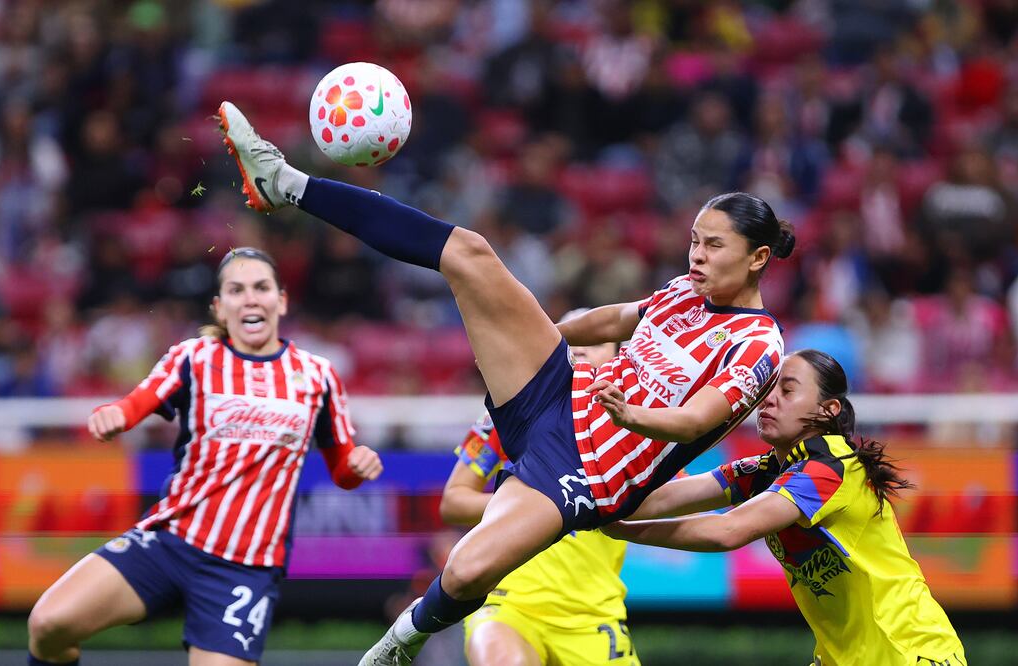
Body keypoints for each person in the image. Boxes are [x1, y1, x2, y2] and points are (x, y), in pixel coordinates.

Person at [217, 101, 793, 665]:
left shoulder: (759, 345)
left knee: (467, 570)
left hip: (586, 474)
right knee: (470, 252)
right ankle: (283, 181)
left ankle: (399, 643)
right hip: (559, 396)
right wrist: (536, 335)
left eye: (713, 246)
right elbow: (621, 318)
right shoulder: (685, 292)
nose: (695, 256)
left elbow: (697, 421)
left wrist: (630, 416)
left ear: (758, 257)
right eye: (694, 240)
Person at [27, 247, 384, 666]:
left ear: (281, 300)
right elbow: (136, 404)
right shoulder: (192, 357)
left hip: (244, 567)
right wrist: (112, 416)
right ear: (219, 306)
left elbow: (342, 469)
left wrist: (357, 465)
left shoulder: (318, 375)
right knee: (48, 624)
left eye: (261, 288)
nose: (250, 298)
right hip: (168, 541)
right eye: (236, 289)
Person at [604, 350, 965, 666]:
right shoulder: (767, 470)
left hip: (910, 652)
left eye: (787, 391)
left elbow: (727, 531)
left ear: (828, 409)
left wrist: (623, 530)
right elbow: (666, 498)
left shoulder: (831, 469)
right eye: (768, 390)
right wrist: (597, 502)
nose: (769, 400)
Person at [441, 321, 639, 666]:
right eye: (573, 339)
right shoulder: (508, 416)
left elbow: (674, 502)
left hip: (592, 616)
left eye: (593, 340)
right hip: (510, 601)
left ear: (618, 358)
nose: (579, 346)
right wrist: (538, 504)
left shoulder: (637, 428)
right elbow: (453, 500)